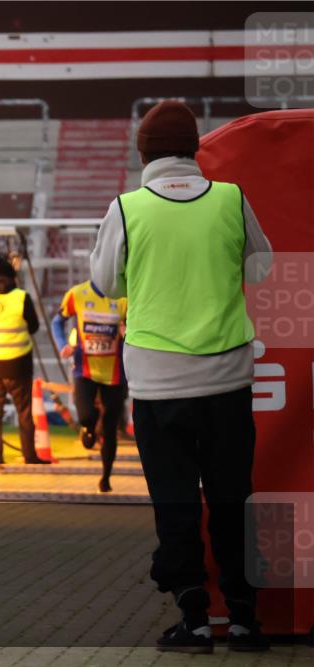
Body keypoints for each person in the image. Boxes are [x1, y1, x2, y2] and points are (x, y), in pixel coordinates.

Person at [90, 100, 273, 653]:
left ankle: (194, 617)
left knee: (174, 500)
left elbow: (105, 283)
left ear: (143, 153)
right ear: (195, 149)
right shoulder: (231, 198)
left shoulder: (127, 208)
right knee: (231, 497)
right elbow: (260, 267)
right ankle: (243, 618)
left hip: (157, 383)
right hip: (227, 379)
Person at [51, 280, 127, 492]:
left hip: (114, 372)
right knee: (85, 415)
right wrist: (62, 345)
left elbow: (136, 326)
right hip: (84, 369)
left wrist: (127, 331)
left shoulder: (124, 298)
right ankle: (89, 426)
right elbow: (57, 322)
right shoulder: (77, 294)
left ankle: (106, 477)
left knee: (111, 427)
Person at [0, 254, 45, 467]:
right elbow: (34, 327)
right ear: (12, 276)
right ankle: (30, 456)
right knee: (23, 410)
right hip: (18, 364)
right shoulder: (21, 297)